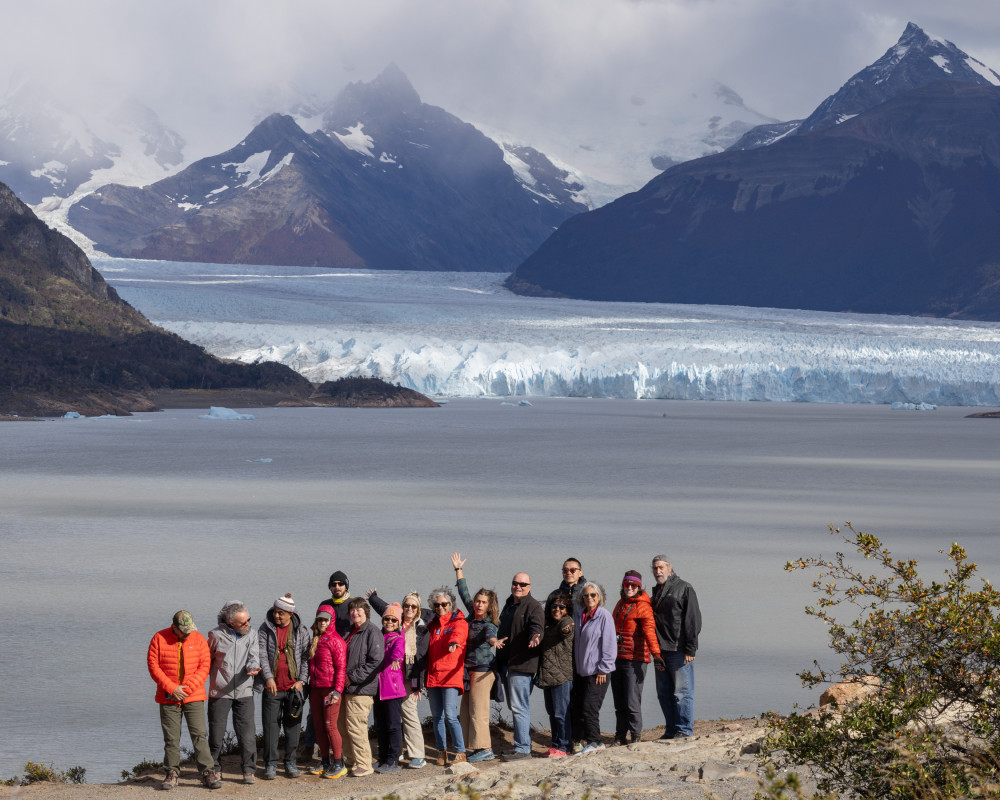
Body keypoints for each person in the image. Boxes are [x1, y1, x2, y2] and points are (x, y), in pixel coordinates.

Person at [147, 610, 218, 791]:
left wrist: (186, 689)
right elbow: (153, 666)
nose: (188, 633)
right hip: (168, 696)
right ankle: (172, 772)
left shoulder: (199, 639)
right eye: (184, 630)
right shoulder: (159, 638)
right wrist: (172, 688)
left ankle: (207, 772)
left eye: (190, 629)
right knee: (171, 738)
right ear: (175, 627)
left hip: (193, 695)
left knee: (199, 734)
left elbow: (204, 666)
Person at [367, 588, 431, 769]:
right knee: (390, 718)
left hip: (408, 678)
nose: (410, 609)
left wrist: (418, 684)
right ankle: (395, 751)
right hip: (388, 678)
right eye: (407, 605)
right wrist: (373, 597)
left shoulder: (420, 629)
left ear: (418, 609)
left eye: (413, 606)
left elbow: (421, 658)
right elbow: (384, 610)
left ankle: (418, 754)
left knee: (408, 714)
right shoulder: (395, 621)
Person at [255, 593, 311, 780]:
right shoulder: (265, 629)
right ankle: (270, 763)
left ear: (290, 613)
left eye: (281, 613)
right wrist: (268, 678)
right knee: (270, 726)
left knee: (293, 726)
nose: (276, 616)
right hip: (272, 687)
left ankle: (290, 761)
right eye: (275, 612)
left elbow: (305, 658)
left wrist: (301, 681)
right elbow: (261, 654)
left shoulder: (301, 631)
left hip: (293, 687)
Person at [451, 552, 499, 763]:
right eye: (478, 601)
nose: (479, 605)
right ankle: (474, 747)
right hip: (467, 671)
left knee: (479, 712)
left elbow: (491, 636)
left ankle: (486, 748)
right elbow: (463, 592)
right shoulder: (471, 615)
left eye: (483, 602)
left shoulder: (488, 623)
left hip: (482, 672)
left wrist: (494, 642)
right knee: (467, 710)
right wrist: (459, 570)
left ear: (490, 605)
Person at [207, 602, 261, 786]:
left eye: (248, 620)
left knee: (247, 734)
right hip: (219, 693)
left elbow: (254, 656)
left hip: (244, 692)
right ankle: (214, 769)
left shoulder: (252, 634)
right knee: (216, 734)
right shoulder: (215, 635)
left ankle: (248, 770)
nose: (247, 624)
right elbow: (206, 662)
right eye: (243, 622)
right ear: (230, 623)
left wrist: (253, 668)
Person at [650, 554, 702, 739]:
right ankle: (671, 729)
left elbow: (693, 619)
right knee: (664, 694)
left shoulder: (684, 588)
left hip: (679, 651)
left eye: (661, 567)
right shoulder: (656, 592)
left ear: (670, 568)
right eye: (655, 568)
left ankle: (684, 730)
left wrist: (691, 648)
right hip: (659, 651)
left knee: (682, 693)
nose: (658, 571)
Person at [610, 571, 665, 745]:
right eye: (627, 584)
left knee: (632, 700)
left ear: (639, 587)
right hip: (617, 657)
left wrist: (656, 654)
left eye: (634, 585)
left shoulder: (643, 606)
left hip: (635, 659)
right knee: (619, 701)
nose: (630, 588)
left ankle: (635, 736)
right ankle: (620, 736)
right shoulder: (620, 603)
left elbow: (650, 632)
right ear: (623, 585)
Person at [495, 572, 544, 760]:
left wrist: (536, 636)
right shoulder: (509, 605)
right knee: (514, 705)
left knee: (519, 706)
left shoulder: (533, 606)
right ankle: (520, 744)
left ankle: (523, 749)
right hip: (507, 663)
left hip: (522, 664)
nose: (518, 586)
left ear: (529, 587)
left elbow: (537, 626)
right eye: (515, 583)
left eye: (523, 584)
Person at [338, 597, 385, 777]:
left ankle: (365, 764)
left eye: (359, 610)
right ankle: (350, 760)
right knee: (343, 726)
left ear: (366, 611)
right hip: (346, 688)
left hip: (361, 689)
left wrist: (352, 678)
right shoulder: (351, 631)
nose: (355, 613)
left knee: (356, 726)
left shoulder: (372, 631)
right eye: (352, 610)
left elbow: (375, 661)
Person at [425, 586, 469, 765]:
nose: (441, 607)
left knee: (450, 715)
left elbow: (459, 635)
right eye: (437, 605)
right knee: (437, 717)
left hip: (451, 675)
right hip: (433, 675)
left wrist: (454, 643)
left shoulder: (459, 622)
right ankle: (441, 751)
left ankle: (460, 752)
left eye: (444, 604)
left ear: (451, 604)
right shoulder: (432, 625)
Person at [572, 581, 616, 754]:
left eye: (593, 595)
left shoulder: (604, 616)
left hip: (598, 672)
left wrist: (604, 669)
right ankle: (585, 740)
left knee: (590, 707)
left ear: (599, 597)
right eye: (586, 595)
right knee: (581, 707)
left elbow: (610, 645)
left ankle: (596, 742)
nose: (589, 598)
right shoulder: (580, 616)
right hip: (582, 671)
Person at [306, 605, 348, 780]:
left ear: (331, 621)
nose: (322, 622)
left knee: (330, 726)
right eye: (320, 619)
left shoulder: (336, 641)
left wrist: (337, 691)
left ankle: (339, 763)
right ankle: (325, 761)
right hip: (315, 689)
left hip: (330, 690)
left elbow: (341, 669)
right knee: (319, 727)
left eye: (325, 619)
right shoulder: (316, 639)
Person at [537, 592, 574, 758]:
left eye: (561, 607)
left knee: (561, 713)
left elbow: (565, 630)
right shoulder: (547, 624)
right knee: (552, 713)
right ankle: (555, 744)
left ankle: (565, 746)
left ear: (567, 609)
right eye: (554, 606)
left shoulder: (567, 622)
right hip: (548, 676)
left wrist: (566, 629)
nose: (557, 609)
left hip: (562, 675)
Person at [373, 603, 407, 773]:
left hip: (392, 689)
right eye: (387, 618)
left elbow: (398, 652)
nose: (389, 622)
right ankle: (382, 758)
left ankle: (393, 761)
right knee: (380, 725)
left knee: (393, 725)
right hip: (378, 688)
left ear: (399, 622)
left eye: (393, 620)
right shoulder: (378, 636)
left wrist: (396, 659)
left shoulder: (399, 638)